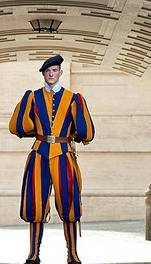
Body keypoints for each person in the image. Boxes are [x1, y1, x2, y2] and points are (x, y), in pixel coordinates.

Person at [9, 54, 95, 264]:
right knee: (35, 204)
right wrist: (37, 133)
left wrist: (72, 134)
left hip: (64, 154)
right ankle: (33, 254)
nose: (51, 74)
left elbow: (87, 133)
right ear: (43, 74)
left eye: (54, 70)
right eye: (47, 71)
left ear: (60, 73)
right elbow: (17, 126)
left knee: (69, 204)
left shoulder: (74, 98)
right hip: (39, 153)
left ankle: (72, 253)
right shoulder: (33, 97)